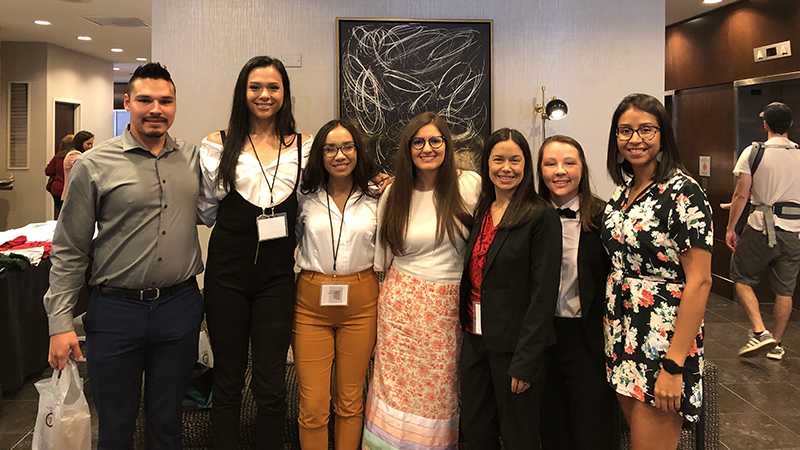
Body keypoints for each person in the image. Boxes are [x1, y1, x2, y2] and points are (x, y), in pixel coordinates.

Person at [44, 62, 205, 450]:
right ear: (128, 102)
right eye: (145, 100)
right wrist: (60, 321)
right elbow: (69, 248)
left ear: (175, 104)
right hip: (116, 312)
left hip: (179, 307)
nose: (156, 109)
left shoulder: (194, 159)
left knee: (168, 421)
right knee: (116, 426)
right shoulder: (94, 164)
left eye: (165, 101)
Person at [199, 55, 312, 449]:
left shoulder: (304, 147)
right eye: (255, 87)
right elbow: (206, 211)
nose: (264, 95)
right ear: (242, 92)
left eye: (273, 87)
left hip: (276, 280)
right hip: (225, 277)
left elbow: (313, 207)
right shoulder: (218, 144)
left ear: (285, 93)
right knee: (228, 379)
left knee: (271, 383)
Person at [601, 93, 713, 450]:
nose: (635, 139)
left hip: (662, 338)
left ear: (663, 134)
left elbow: (700, 281)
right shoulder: (623, 192)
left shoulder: (684, 192)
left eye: (646, 129)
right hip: (622, 332)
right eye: (625, 131)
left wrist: (675, 364)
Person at [363, 111, 480, 449]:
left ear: (446, 144)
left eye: (434, 141)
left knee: (439, 391)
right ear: (408, 148)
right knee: (395, 388)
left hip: (448, 308)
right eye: (418, 142)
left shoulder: (469, 185)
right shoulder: (395, 193)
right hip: (401, 308)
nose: (427, 148)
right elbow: (384, 259)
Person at [458, 128, 561, 449]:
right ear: (486, 164)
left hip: (515, 348)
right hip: (475, 339)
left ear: (526, 165)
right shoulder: (483, 210)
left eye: (515, 160)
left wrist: (525, 361)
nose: (506, 168)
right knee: (475, 428)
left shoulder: (540, 215)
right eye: (498, 159)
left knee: (519, 435)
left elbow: (544, 294)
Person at [294, 119, 379, 449]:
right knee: (313, 403)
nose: (339, 155)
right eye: (330, 148)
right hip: (310, 305)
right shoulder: (305, 196)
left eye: (346, 147)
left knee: (350, 400)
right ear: (319, 154)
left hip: (361, 303)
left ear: (358, 150)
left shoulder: (376, 195)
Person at [536, 135, 617, 450]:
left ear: (582, 169)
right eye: (550, 163)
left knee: (592, 427)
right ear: (540, 171)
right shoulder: (528, 216)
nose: (560, 171)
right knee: (551, 427)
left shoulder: (604, 217)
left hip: (587, 337)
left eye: (569, 163)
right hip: (542, 337)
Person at [726, 102, 800, 361]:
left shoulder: (754, 152)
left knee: (741, 276)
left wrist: (731, 227)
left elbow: (741, 194)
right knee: (785, 290)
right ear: (790, 124)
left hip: (760, 227)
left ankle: (760, 331)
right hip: (794, 231)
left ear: (765, 124)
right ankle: (776, 344)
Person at [61, 130, 95, 201]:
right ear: (80, 143)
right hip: (72, 195)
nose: (90, 147)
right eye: (88, 144)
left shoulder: (80, 154)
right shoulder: (73, 154)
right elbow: (86, 167)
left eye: (91, 144)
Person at [45, 134, 72, 217]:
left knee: (61, 214)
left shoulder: (57, 157)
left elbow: (48, 171)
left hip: (57, 189)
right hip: (68, 190)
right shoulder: (73, 157)